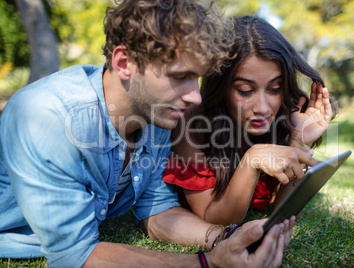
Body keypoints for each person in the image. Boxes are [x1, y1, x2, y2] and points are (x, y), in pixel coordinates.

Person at [0, 1, 296, 267]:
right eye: (180, 77)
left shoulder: (155, 115)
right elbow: (76, 255)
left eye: (196, 79)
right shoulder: (47, 116)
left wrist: (223, 238)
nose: (195, 97)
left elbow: (157, 210)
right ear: (124, 63)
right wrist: (206, 263)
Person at [163, 16, 336, 225]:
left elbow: (280, 209)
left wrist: (299, 144)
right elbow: (214, 218)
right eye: (245, 91)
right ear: (222, 88)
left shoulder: (287, 115)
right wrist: (251, 160)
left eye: (274, 89)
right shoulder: (194, 123)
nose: (262, 108)